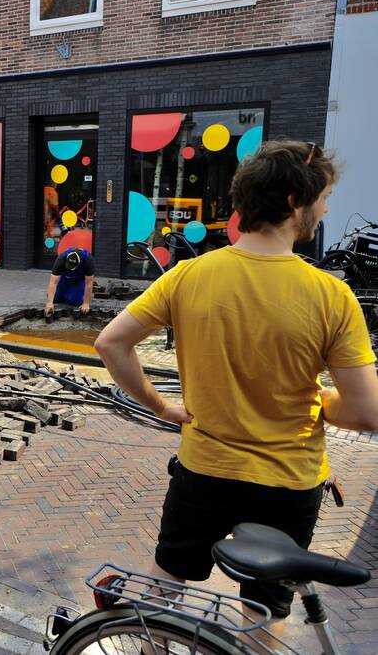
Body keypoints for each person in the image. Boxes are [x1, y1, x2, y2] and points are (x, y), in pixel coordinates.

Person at [94, 140, 378, 643]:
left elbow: (111, 343)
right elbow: (366, 411)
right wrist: (321, 404)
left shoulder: (190, 274)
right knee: (264, 612)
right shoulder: (332, 296)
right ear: (295, 203)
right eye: (324, 197)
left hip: (204, 470)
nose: (328, 208)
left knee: (168, 580)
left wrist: (163, 407)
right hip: (289, 482)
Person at [44, 247, 94, 317]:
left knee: (74, 302)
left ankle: (70, 293)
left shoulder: (88, 260)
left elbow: (88, 284)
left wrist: (86, 303)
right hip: (64, 278)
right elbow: (53, 282)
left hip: (78, 279)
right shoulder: (61, 258)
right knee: (54, 299)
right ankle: (65, 292)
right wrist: (49, 303)